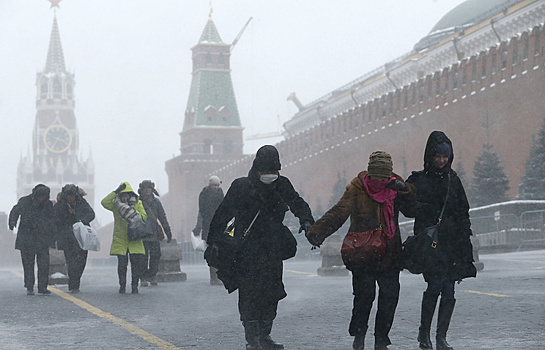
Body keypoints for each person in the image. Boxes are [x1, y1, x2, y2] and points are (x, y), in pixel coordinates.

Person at [206, 145, 314, 350]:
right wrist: (213, 242)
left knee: (272, 292)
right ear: (257, 168)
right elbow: (222, 214)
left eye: (273, 171)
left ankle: (265, 335)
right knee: (249, 293)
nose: (270, 175)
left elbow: (297, 203)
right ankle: (252, 339)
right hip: (246, 249)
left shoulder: (282, 184)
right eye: (266, 171)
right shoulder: (241, 186)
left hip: (272, 247)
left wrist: (306, 220)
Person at [306, 151, 415, 350]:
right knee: (364, 297)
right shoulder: (357, 188)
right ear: (370, 173)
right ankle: (359, 334)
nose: (380, 181)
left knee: (390, 297)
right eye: (376, 176)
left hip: (390, 253)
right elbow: (339, 212)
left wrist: (405, 191)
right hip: (363, 252)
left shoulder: (395, 186)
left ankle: (381, 339)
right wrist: (317, 232)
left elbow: (413, 210)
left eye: (384, 177)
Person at [400, 131, 476, 350]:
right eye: (438, 156)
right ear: (429, 155)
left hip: (452, 244)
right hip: (430, 244)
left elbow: (463, 211)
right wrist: (427, 210)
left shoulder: (454, 180)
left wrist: (465, 240)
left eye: (445, 156)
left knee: (449, 290)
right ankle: (424, 334)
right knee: (434, 286)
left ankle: (441, 337)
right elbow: (406, 207)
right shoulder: (418, 180)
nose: (441, 160)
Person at [9, 184, 56, 295]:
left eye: (43, 197)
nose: (41, 199)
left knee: (43, 265)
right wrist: (12, 222)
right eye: (40, 196)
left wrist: (53, 235)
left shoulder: (48, 205)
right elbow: (15, 211)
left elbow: (53, 221)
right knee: (28, 265)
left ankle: (42, 287)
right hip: (27, 238)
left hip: (42, 239)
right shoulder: (24, 201)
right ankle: (30, 286)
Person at [101, 182, 147, 294]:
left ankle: (134, 286)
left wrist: (132, 215)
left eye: (128, 194)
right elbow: (104, 202)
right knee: (122, 266)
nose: (126, 196)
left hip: (134, 239)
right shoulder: (116, 205)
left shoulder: (137, 203)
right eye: (123, 194)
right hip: (120, 239)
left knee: (136, 266)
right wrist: (115, 192)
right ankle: (122, 286)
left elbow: (144, 216)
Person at [53, 184, 95, 293]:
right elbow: (55, 220)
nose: (70, 198)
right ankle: (73, 284)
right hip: (68, 237)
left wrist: (80, 222)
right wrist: (66, 226)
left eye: (72, 195)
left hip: (82, 236)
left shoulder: (82, 203)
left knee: (82, 260)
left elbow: (91, 214)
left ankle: (76, 280)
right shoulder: (60, 206)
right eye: (68, 195)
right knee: (71, 262)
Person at [138, 180, 172, 287]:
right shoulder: (138, 202)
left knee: (155, 257)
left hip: (154, 234)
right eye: (145, 188)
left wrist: (168, 231)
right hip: (142, 234)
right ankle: (143, 277)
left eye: (149, 188)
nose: (147, 190)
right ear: (142, 190)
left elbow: (162, 217)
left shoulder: (156, 202)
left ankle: (152, 275)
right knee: (142, 258)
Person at [192, 175, 224, 285]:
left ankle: (216, 277)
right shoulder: (206, 194)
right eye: (215, 185)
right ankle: (214, 278)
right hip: (210, 228)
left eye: (217, 185)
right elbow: (202, 212)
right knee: (214, 252)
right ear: (210, 185)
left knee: (218, 253)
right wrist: (198, 227)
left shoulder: (215, 194)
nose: (216, 187)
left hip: (217, 227)